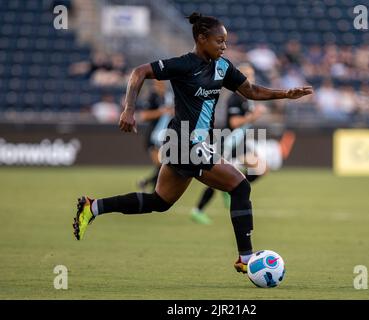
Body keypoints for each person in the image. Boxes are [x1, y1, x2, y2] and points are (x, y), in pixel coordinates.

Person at [72, 12, 313, 274]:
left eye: (225, 41)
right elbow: (139, 72)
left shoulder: (223, 67)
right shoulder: (184, 65)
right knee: (240, 186)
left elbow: (251, 90)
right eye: (219, 41)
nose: (224, 46)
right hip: (185, 142)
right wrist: (128, 109)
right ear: (201, 39)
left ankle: (93, 206)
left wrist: (285, 94)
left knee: (160, 202)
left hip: (188, 144)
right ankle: (245, 257)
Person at [190, 63, 268, 225]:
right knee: (217, 178)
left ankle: (231, 188)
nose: (250, 77)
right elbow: (234, 122)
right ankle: (197, 210)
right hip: (229, 142)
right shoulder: (235, 98)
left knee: (261, 168)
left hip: (240, 142)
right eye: (246, 74)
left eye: (251, 74)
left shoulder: (248, 97)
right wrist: (254, 116)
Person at [137, 80, 173, 191]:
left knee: (164, 166)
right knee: (162, 165)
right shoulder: (152, 96)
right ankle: (153, 190)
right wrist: (162, 111)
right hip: (154, 136)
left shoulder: (169, 96)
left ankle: (146, 183)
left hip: (167, 136)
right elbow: (143, 116)